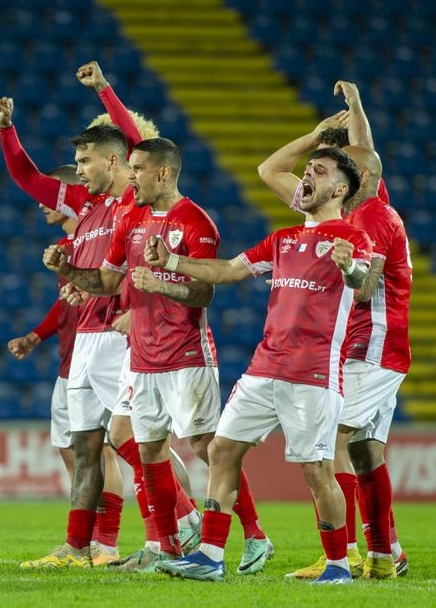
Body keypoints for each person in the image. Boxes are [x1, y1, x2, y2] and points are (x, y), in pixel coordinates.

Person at [0, 63, 200, 570]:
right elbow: (26, 177)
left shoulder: (130, 199)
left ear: (118, 162)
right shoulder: (82, 207)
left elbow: (133, 138)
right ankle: (79, 546)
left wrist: (105, 90)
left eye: (85, 160)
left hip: (117, 336)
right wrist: (7, 130)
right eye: (76, 161)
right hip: (84, 340)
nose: (78, 169)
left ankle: (176, 526)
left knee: (133, 440)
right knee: (87, 447)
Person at [46, 137, 272, 575]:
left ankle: (257, 535)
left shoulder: (195, 221)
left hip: (186, 355)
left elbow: (204, 291)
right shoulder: (130, 218)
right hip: (141, 357)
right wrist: (68, 270)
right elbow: (110, 282)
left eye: (138, 169)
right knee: (141, 445)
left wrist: (161, 283)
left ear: (163, 173)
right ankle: (165, 545)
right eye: (129, 168)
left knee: (207, 448)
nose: (131, 177)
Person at [149, 147, 372, 584]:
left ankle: (338, 565)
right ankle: (212, 555)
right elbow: (230, 270)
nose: (307, 175)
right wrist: (173, 262)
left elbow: (360, 280)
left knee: (316, 470)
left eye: (319, 171)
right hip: (264, 368)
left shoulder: (352, 239)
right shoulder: (283, 239)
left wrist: (349, 268)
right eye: (307, 170)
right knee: (221, 449)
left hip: (313, 374)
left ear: (340, 189)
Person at [259, 81, 411, 579]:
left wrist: (342, 270)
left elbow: (364, 288)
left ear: (356, 179)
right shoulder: (369, 200)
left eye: (341, 166)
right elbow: (367, 154)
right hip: (370, 347)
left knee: (334, 442)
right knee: (367, 451)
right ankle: (386, 556)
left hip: (370, 349)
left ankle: (338, 557)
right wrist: (357, 107)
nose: (330, 170)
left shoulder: (370, 218)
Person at [6, 163, 125, 566]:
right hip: (71, 362)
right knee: (74, 451)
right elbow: (68, 300)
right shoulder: (68, 246)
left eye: (50, 197)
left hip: (108, 350)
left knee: (111, 448)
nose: (43, 204)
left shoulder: (108, 229)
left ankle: (107, 543)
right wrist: (36, 336)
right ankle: (82, 543)